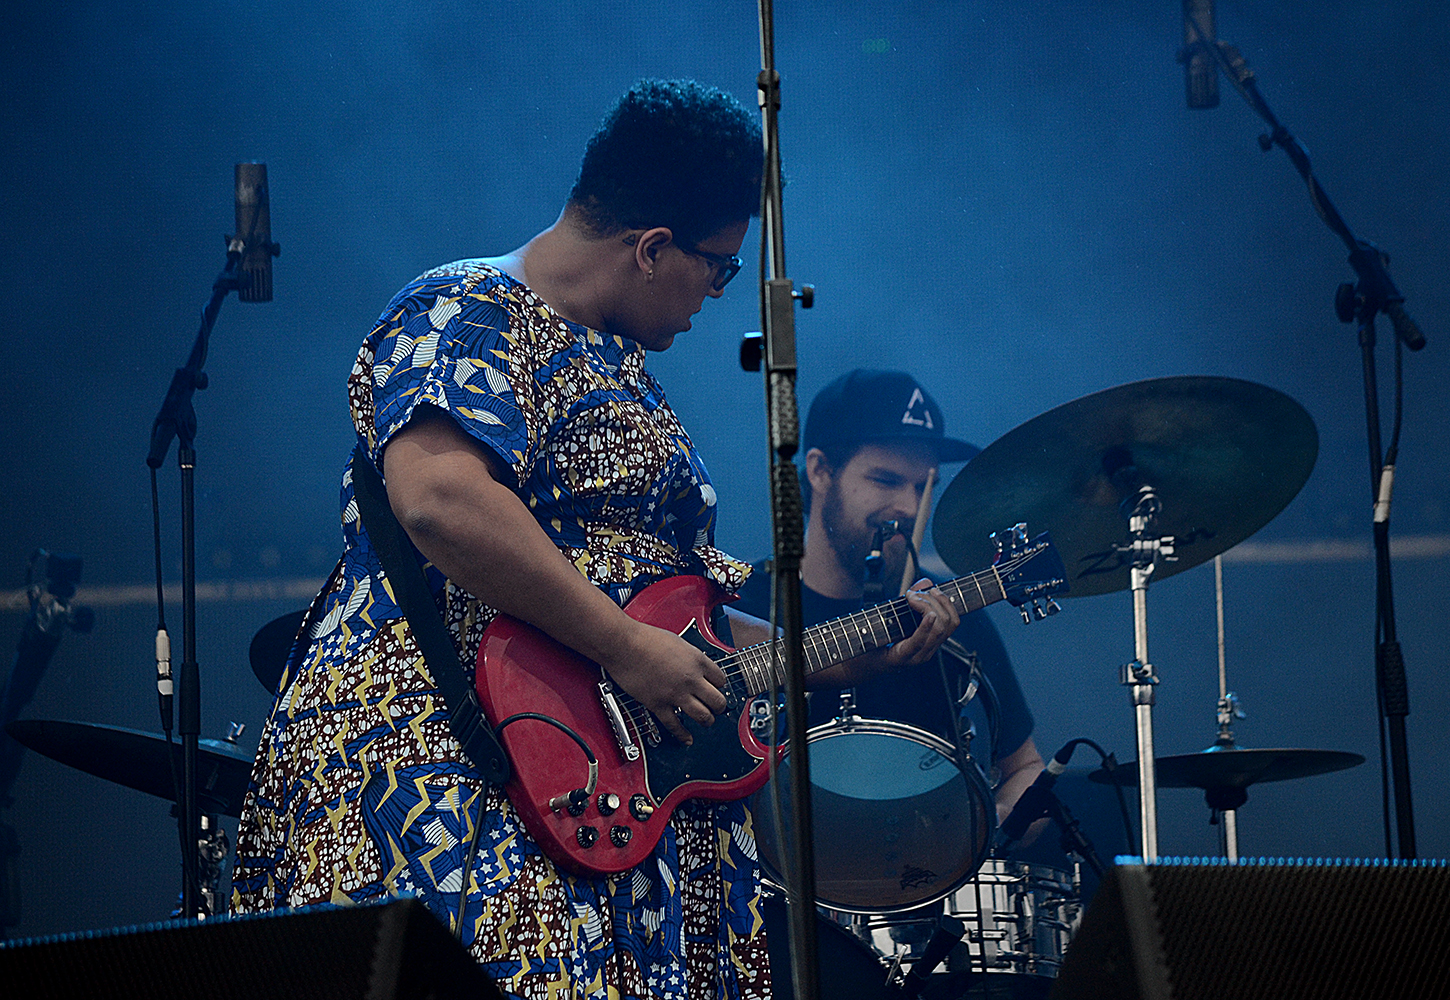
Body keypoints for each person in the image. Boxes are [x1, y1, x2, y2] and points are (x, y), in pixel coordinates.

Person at [231, 81, 960, 1000]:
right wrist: (623, 647)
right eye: (720, 267)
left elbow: (664, 624)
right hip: (463, 772)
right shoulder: (464, 309)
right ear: (654, 250)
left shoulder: (620, 364)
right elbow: (442, 502)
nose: (718, 294)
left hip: (612, 805)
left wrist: (825, 658)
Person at [735, 370, 1046, 828]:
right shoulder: (743, 603)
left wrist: (985, 832)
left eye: (923, 488)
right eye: (886, 479)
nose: (908, 505)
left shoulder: (951, 612)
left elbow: (1024, 769)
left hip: (918, 887)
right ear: (820, 471)